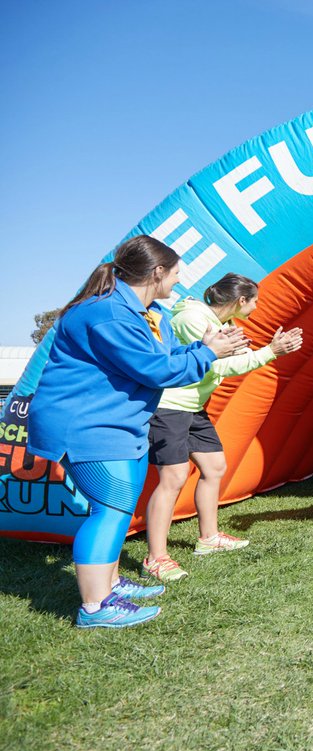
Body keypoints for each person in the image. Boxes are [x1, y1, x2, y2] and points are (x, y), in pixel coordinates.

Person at [27, 236, 247, 628]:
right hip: (87, 426)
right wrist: (208, 354)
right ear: (157, 272)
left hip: (112, 424)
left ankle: (110, 583)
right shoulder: (108, 313)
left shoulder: (135, 312)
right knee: (109, 510)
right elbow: (155, 371)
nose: (178, 282)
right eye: (176, 274)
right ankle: (96, 606)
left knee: (116, 507)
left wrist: (202, 346)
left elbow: (158, 357)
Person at [141, 274, 304, 581]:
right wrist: (271, 352)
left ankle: (208, 538)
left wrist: (273, 349)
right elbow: (218, 366)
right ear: (241, 300)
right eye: (254, 300)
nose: (256, 306)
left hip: (192, 407)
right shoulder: (193, 319)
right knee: (173, 478)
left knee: (215, 466)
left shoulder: (225, 326)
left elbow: (240, 358)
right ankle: (156, 558)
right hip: (170, 406)